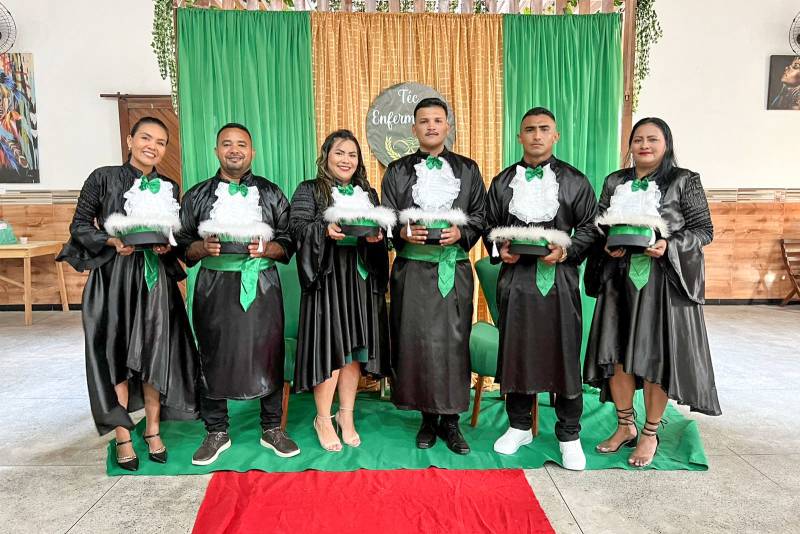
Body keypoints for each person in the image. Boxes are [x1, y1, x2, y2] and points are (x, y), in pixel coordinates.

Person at [58, 116, 198, 471]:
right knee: (116, 355)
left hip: (155, 280)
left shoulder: (169, 185)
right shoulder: (102, 177)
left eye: (161, 142)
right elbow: (79, 225)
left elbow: (173, 233)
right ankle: (122, 435)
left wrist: (168, 247)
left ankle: (152, 429)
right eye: (146, 138)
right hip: (115, 279)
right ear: (130, 140)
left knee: (155, 354)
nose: (153, 146)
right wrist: (110, 240)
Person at [584, 117, 722, 468]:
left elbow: (703, 230)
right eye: (638, 139)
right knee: (615, 354)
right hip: (619, 281)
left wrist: (668, 244)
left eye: (652, 139)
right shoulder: (614, 181)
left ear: (666, 144)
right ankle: (624, 426)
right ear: (630, 145)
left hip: (662, 284)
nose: (644, 145)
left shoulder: (684, 180)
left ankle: (649, 433)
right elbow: (600, 226)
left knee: (654, 357)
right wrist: (607, 244)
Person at [176, 123, 299, 465]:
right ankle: (216, 430)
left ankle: (272, 428)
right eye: (227, 144)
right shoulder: (197, 195)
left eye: (241, 144)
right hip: (213, 286)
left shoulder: (272, 193)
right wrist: (202, 247)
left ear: (252, 151)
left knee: (269, 351)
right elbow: (181, 244)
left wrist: (268, 248)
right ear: (216, 151)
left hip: (262, 286)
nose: (234, 150)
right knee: (212, 351)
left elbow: (289, 240)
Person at [484, 107, 598, 470]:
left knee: (564, 353)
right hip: (515, 282)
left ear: (555, 135)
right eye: (530, 129)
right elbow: (487, 226)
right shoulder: (502, 182)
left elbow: (591, 227)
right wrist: (499, 250)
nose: (536, 135)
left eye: (544, 129)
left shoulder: (576, 181)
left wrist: (566, 251)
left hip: (560, 281)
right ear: (519, 136)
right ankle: (519, 426)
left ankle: (569, 434)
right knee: (516, 351)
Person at [381, 98, 486, 455]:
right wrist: (401, 233)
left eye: (437, 120)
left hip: (453, 269)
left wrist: (462, 233)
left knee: (453, 343)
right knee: (417, 342)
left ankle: (451, 421)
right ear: (414, 129)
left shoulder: (468, 169)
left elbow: (480, 215)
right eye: (423, 121)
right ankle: (427, 418)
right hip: (411, 270)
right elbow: (387, 216)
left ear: (447, 127)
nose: (430, 126)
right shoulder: (396, 171)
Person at [289, 129, 391, 452]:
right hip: (327, 279)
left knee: (354, 352)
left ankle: (346, 415)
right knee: (330, 348)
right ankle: (323, 418)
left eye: (352, 154)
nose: (346, 160)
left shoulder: (368, 192)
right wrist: (323, 229)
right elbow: (296, 227)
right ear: (326, 156)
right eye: (339, 153)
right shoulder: (309, 189)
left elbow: (381, 232)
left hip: (359, 279)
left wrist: (377, 237)